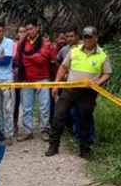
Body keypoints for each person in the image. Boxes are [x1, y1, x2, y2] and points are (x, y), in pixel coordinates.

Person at [46, 26, 112, 159]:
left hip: (88, 93)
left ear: (96, 38)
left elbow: (108, 73)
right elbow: (63, 68)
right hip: (69, 90)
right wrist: (56, 85)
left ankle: (85, 149)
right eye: (85, 37)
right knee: (58, 117)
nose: (87, 40)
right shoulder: (74, 51)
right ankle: (53, 146)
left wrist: (97, 84)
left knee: (84, 121)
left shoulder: (102, 55)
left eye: (90, 37)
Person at [15, 19, 55, 142]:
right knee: (27, 107)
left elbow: (41, 59)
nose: (28, 31)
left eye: (31, 29)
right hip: (26, 79)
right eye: (26, 30)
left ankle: (44, 129)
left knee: (44, 106)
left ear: (37, 28)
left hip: (43, 78)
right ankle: (28, 131)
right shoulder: (22, 43)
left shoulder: (45, 42)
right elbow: (17, 59)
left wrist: (26, 58)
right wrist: (32, 58)